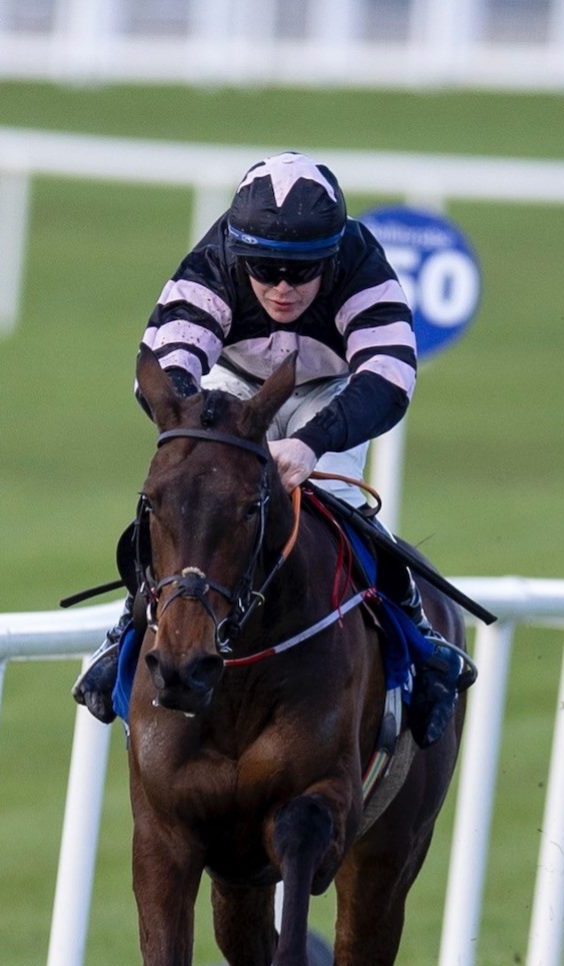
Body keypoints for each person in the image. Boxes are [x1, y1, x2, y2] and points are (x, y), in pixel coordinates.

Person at [73, 150, 474, 736]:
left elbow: (389, 377)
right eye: (264, 270)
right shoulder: (212, 261)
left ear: (330, 258)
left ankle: (418, 641)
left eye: (302, 272)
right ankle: (126, 633)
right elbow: (164, 363)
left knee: (347, 509)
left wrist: (311, 443)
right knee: (185, 503)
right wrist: (202, 425)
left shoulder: (361, 263)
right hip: (230, 389)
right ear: (239, 254)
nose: (282, 288)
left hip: (329, 391)